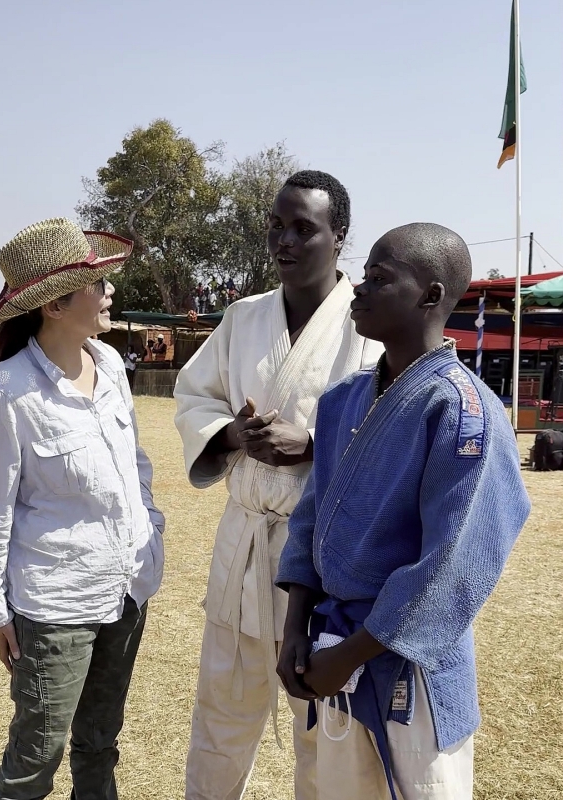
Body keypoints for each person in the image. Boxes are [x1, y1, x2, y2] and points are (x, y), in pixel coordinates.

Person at [276, 223, 531, 800]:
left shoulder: (464, 412)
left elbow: (452, 566)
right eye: (363, 275)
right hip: (332, 649)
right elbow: (310, 520)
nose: (359, 289)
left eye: (379, 278)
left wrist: (351, 654)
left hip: (408, 666)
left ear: (431, 295)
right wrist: (295, 629)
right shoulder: (342, 400)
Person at [174, 171, 384, 800]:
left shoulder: (368, 322)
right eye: (276, 226)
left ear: (338, 236)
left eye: (303, 228)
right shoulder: (243, 317)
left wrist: (313, 443)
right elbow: (195, 395)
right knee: (220, 715)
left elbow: (390, 428)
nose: (284, 241)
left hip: (321, 554)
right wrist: (231, 433)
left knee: (323, 728)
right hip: (243, 543)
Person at [0, 217, 165, 800]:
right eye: (97, 284)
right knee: (35, 757)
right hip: (55, 604)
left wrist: (150, 529)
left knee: (100, 743)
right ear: (54, 305)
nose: (110, 292)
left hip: (127, 588)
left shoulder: (110, 366)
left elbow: (135, 463)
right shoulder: (7, 392)